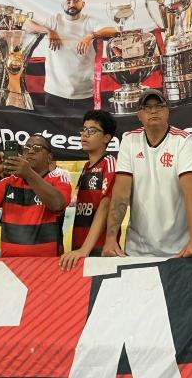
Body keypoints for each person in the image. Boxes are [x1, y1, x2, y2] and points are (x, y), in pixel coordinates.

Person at [103, 89, 192, 258]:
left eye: (159, 106)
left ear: (167, 111)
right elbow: (121, 193)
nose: (153, 111)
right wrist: (111, 238)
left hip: (179, 250)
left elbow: (191, 193)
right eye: (147, 107)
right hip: (136, 249)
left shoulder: (183, 140)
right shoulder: (129, 140)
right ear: (139, 114)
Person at [0, 134, 71, 256]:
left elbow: (57, 204)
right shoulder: (9, 182)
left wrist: (28, 173)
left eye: (37, 148)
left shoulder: (58, 179)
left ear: (49, 157)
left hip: (47, 264)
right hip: (10, 263)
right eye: (27, 147)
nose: (30, 151)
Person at [27, 0, 116, 110]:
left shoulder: (89, 22)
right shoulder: (54, 21)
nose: (72, 4)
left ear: (83, 3)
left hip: (85, 94)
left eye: (76, 1)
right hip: (55, 93)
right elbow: (27, 24)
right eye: (68, 2)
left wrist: (91, 36)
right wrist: (48, 31)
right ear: (62, 4)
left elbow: (113, 31)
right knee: (54, 130)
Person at [60, 110, 117, 270]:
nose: (85, 135)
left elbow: (106, 207)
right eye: (84, 130)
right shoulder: (86, 167)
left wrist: (85, 249)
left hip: (99, 251)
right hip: (80, 248)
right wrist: (81, 248)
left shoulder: (110, 162)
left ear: (107, 137)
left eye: (92, 131)